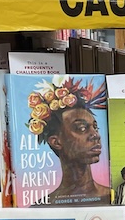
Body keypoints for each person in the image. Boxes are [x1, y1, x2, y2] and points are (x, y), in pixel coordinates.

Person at [27, 76, 111, 206]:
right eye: (82, 128)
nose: (95, 135)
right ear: (56, 142)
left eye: (95, 127)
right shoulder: (42, 207)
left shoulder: (110, 198)